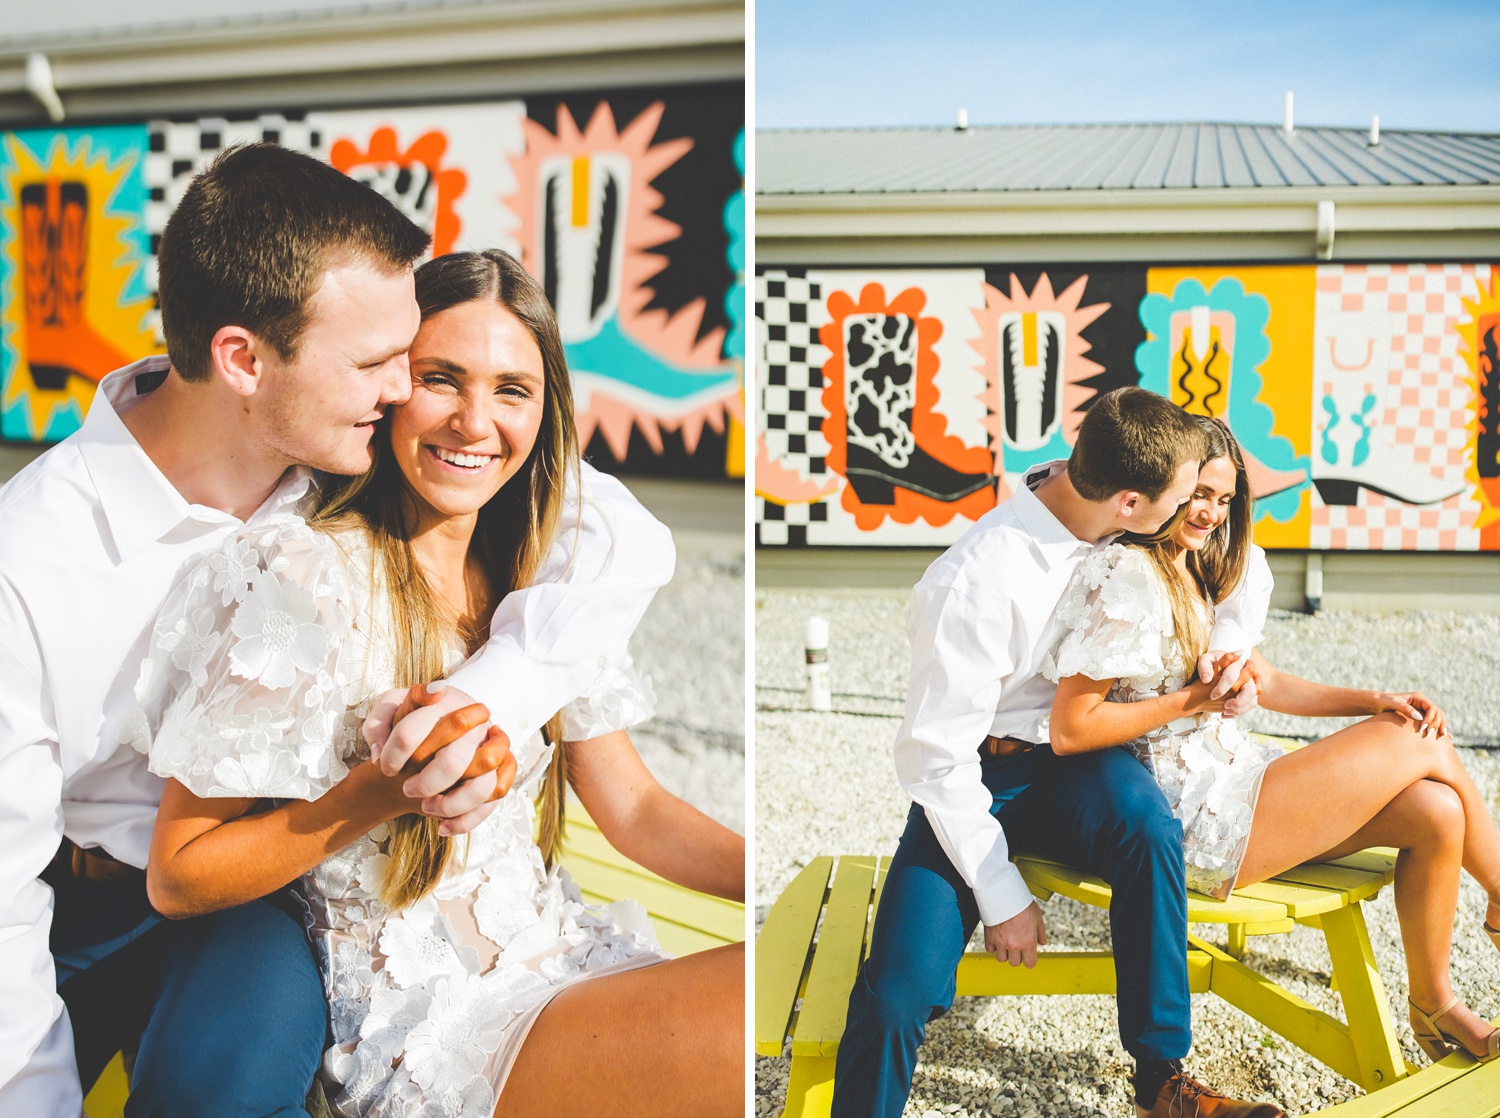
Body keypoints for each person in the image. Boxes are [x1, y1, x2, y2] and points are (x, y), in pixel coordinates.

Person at [0, 144, 674, 1116]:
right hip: (72, 899)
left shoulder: (342, 460)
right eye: (378, 362)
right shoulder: (30, 563)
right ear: (242, 359)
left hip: (261, 890)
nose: (410, 389)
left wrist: (496, 693)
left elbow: (605, 524)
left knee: (226, 1080)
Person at [135, 247, 745, 1118]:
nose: (473, 421)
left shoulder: (545, 581)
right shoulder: (304, 577)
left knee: (764, 986)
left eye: (511, 390)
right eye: (441, 379)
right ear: (386, 389)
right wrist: (374, 797)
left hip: (561, 960)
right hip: (429, 1029)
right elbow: (179, 874)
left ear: (547, 414)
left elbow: (637, 810)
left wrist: (767, 887)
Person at [833, 388, 1287, 1118]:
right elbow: (935, 762)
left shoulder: (1112, 504)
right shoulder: (975, 583)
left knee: (1148, 829)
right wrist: (1002, 892)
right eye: (1181, 498)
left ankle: (1161, 1079)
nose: (1189, 512)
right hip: (975, 777)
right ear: (1131, 504)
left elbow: (1229, 562)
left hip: (1076, 764)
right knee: (895, 992)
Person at [1045, 416, 1500, 1066]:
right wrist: (1195, 699)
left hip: (1233, 783)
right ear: (1164, 482)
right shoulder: (1127, 574)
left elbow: (1263, 677)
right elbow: (1072, 726)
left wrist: (1371, 700)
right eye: (1199, 492)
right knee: (1412, 741)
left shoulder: (1191, 566)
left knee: (1437, 810)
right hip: (1188, 824)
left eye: (1225, 499)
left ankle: (1436, 1003)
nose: (1210, 512)